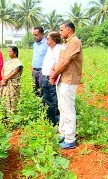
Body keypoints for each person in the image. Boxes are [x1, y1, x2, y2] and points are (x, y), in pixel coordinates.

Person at [50, 21, 83, 149]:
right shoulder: (66, 43)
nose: (60, 32)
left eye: (61, 30)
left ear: (69, 30)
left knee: (68, 109)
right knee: (62, 107)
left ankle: (70, 139)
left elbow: (65, 62)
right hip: (62, 78)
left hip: (69, 80)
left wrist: (53, 74)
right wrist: (54, 71)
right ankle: (63, 133)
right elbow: (59, 61)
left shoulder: (75, 42)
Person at [41, 32, 62, 126]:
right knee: (47, 100)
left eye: (48, 39)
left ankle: (58, 123)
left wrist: (52, 77)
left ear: (53, 40)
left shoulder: (59, 49)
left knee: (55, 101)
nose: (46, 41)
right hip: (45, 77)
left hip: (52, 78)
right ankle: (50, 122)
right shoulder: (50, 49)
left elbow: (58, 65)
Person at [0, 46, 23, 116]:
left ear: (15, 53)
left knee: (13, 98)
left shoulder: (18, 62)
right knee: (4, 97)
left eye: (10, 51)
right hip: (5, 82)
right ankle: (5, 114)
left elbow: (15, 72)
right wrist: (3, 77)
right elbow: (2, 70)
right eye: (8, 51)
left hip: (12, 83)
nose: (9, 53)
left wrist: (6, 78)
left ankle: (13, 115)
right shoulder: (7, 61)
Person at [32, 26, 48, 97]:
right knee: (35, 89)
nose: (34, 36)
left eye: (36, 35)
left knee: (42, 89)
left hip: (43, 70)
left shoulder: (47, 43)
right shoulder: (35, 44)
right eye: (33, 35)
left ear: (42, 34)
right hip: (34, 70)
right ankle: (37, 105)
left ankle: (43, 106)